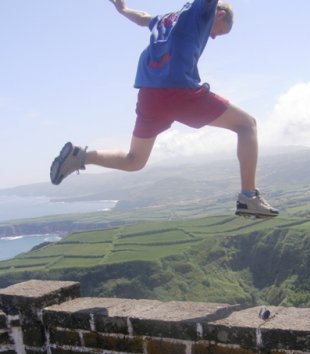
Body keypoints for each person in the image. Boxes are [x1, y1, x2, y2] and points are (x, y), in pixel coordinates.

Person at [50, 0, 278, 218]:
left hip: (149, 94)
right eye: (219, 30)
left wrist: (123, 9)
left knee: (134, 160)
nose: (214, 36)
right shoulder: (203, 10)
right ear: (219, 14)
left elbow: (143, 19)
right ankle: (249, 197)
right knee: (247, 125)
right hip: (179, 90)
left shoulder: (168, 19)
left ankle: (80, 156)